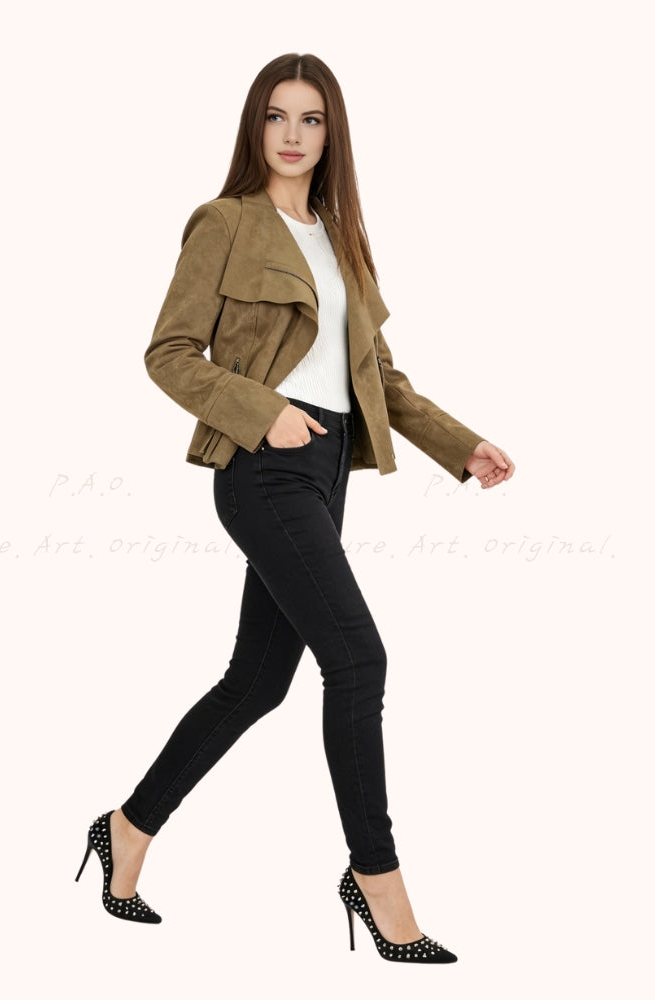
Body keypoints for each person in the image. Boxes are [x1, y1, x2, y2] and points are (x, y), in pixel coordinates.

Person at [75, 52, 515, 963]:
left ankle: (128, 828)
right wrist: (261, 410)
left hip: (326, 474)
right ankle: (377, 879)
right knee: (358, 660)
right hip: (261, 467)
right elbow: (168, 353)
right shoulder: (226, 222)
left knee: (257, 682)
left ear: (330, 134)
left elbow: (379, 377)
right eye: (276, 115)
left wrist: (459, 445)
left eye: (311, 119)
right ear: (255, 125)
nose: (291, 134)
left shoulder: (343, 238)